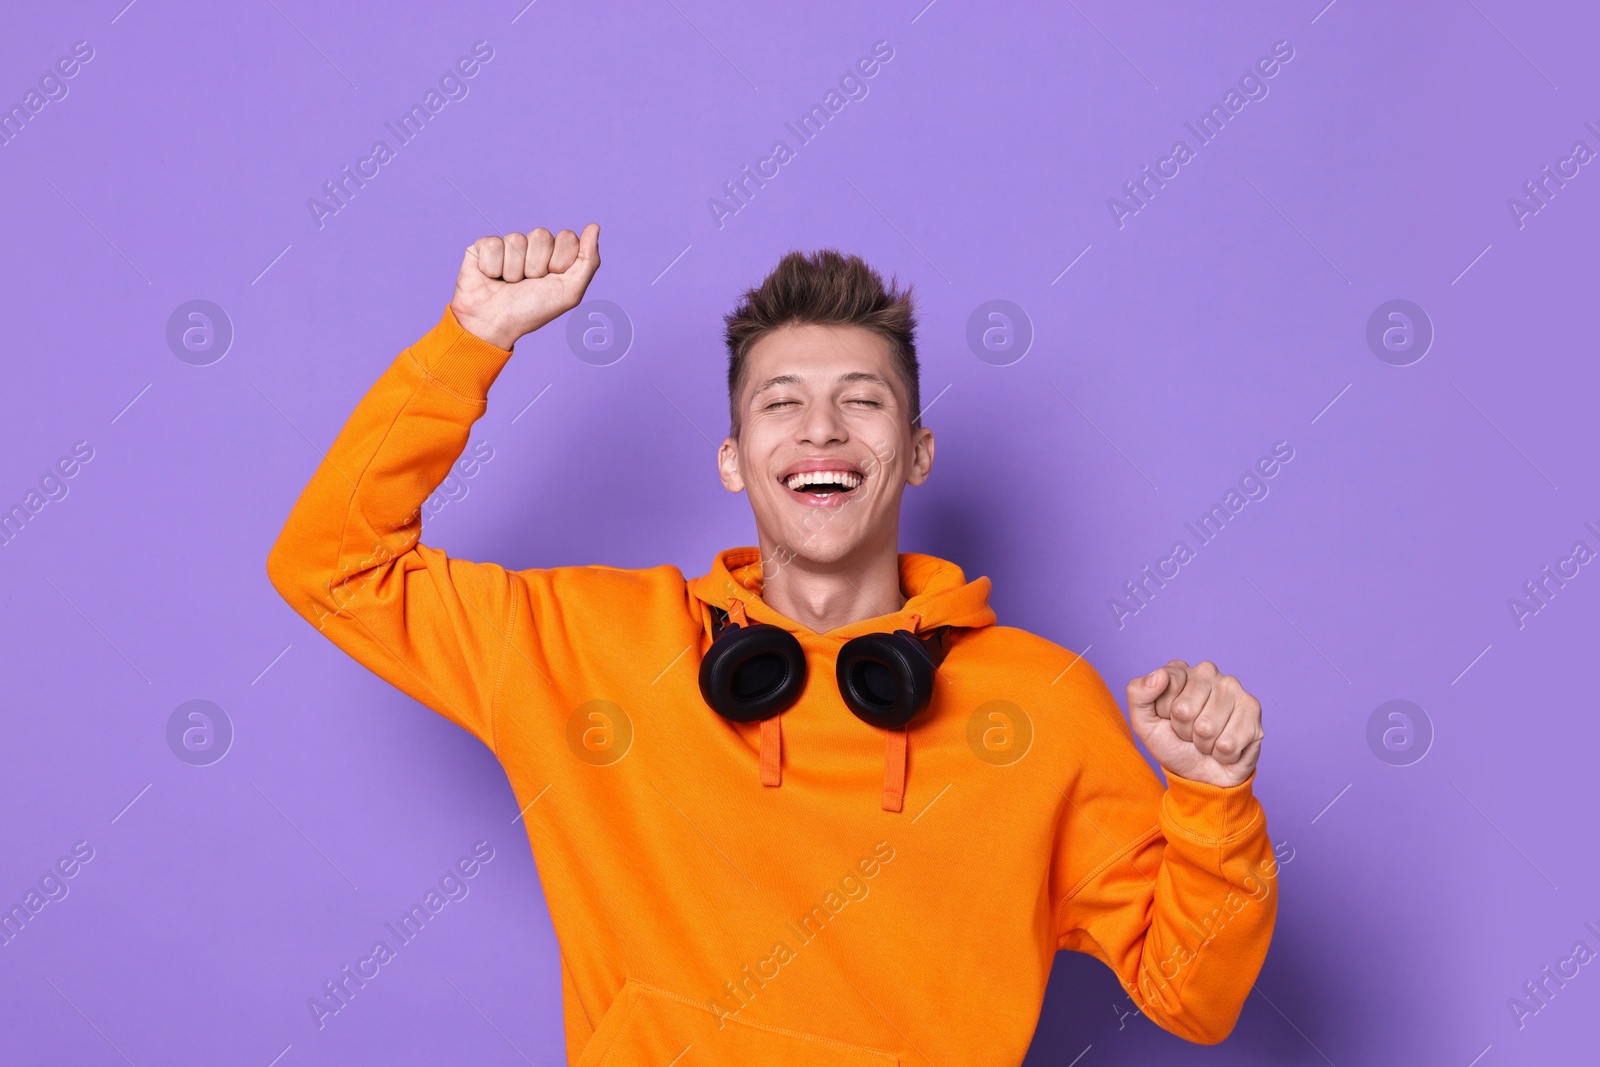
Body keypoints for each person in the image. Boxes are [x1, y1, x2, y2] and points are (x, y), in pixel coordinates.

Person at [266, 222, 1277, 1065]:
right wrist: (468, 339)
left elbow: (1192, 994)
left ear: (917, 454)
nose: (822, 429)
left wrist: (1213, 800)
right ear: (732, 460)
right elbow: (332, 565)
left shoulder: (1044, 702)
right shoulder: (584, 645)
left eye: (864, 399)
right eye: (780, 402)